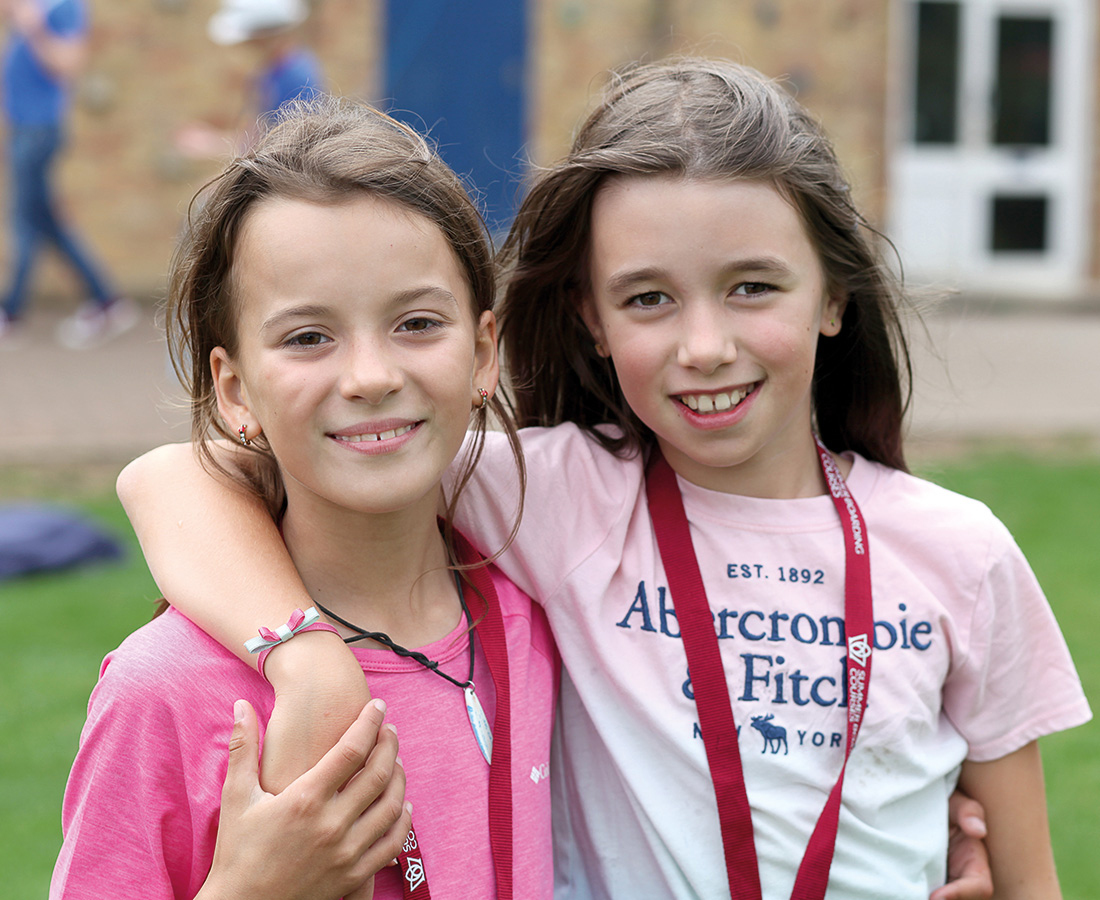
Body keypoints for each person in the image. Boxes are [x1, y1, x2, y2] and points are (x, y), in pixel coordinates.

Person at [113, 58, 1091, 898]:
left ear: (833, 292)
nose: (704, 346)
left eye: (751, 286)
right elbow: (177, 478)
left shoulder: (958, 553)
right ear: (588, 317)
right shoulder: (553, 495)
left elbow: (1022, 875)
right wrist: (310, 661)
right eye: (648, 298)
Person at [52, 96, 557, 899]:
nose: (371, 376)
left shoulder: (537, 615)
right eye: (307, 338)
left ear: (485, 352)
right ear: (235, 390)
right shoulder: (166, 689)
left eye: (418, 323)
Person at [0, 0, 136, 348]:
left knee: (28, 219)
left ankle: (11, 312)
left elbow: (67, 64)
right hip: (23, 130)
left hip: (38, 131)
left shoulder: (65, 7)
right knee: (41, 219)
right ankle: (105, 301)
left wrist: (32, 25)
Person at [174, 0, 324, 160]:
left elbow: (291, 150)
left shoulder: (295, 77)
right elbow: (260, 131)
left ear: (265, 34)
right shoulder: (273, 70)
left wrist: (212, 143)